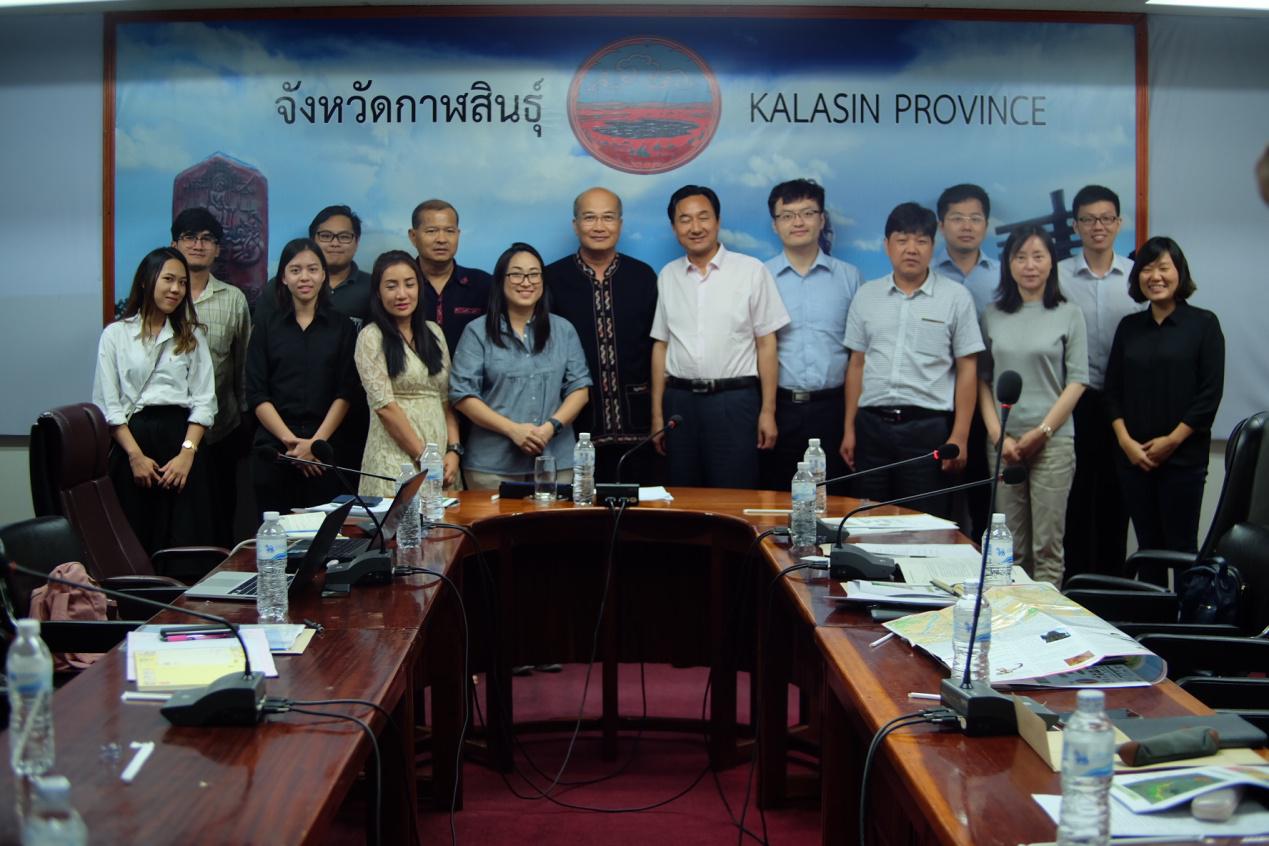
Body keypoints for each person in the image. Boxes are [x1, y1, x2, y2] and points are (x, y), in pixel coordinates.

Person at [841, 202, 981, 520]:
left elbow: (967, 368)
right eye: (902, 240)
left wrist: (960, 435)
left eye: (921, 240)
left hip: (927, 429)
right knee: (867, 521)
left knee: (924, 524)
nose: (911, 249)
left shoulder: (955, 297)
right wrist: (849, 428)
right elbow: (857, 363)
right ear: (886, 245)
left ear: (933, 245)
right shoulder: (866, 295)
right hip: (871, 428)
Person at [650, 185, 789, 489]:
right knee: (683, 493)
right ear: (674, 228)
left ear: (718, 221)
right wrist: (657, 416)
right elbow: (661, 345)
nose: (695, 227)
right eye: (685, 219)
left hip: (734, 401)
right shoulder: (668, 275)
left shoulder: (750, 271)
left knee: (734, 492)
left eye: (704, 217)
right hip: (680, 403)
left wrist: (768, 411)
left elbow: (767, 343)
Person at [978, 226, 1088, 586]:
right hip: (1004, 443)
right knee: (1009, 547)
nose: (1030, 265)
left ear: (1051, 262)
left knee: (1047, 547)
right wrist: (998, 436)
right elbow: (983, 380)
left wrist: (1043, 431)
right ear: (1008, 264)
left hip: (1053, 443)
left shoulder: (1069, 313)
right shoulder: (992, 314)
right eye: (1020, 257)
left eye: (1038, 256)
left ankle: (1046, 618)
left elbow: (1077, 381)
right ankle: (1011, 615)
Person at [92, 247, 216, 553]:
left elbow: (204, 400)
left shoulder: (191, 335)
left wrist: (187, 454)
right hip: (133, 441)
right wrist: (135, 456)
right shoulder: (116, 334)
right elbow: (108, 404)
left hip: (181, 438)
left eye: (182, 283)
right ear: (146, 281)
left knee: (184, 540)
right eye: (168, 279)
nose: (176, 289)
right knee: (136, 538)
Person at [1106, 237, 1224, 554]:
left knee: (1182, 548)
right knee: (1147, 549)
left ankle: (1186, 594)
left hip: (1183, 459)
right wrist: (1126, 443)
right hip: (1134, 459)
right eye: (1147, 269)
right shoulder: (1129, 327)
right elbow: (1112, 391)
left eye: (1163, 268)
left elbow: (1209, 395)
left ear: (1179, 273)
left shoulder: (1204, 324)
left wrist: (1171, 441)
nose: (1155, 276)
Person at [449, 242, 591, 490]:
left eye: (534, 274)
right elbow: (462, 395)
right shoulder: (477, 331)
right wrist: (513, 430)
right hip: (491, 468)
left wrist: (551, 428)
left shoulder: (563, 330)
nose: (526, 282)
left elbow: (580, 389)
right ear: (500, 280)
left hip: (556, 463)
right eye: (516, 274)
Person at [546, 187, 659, 484]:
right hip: (576, 423)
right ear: (575, 225)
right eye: (590, 218)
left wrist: (658, 414)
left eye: (608, 217)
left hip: (638, 422)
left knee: (641, 507)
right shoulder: (552, 278)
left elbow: (657, 348)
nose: (599, 226)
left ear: (620, 224)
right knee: (580, 508)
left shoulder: (642, 276)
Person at [1058, 185, 1143, 576]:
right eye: (1089, 219)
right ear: (1076, 225)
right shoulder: (1057, 275)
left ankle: (1112, 585)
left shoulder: (1136, 277)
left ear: (1119, 223)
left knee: (1117, 497)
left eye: (1106, 218)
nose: (1098, 226)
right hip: (1072, 400)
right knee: (1074, 498)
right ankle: (1076, 583)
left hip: (1123, 405)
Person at [760, 178, 860, 493]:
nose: (798, 222)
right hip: (780, 408)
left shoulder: (849, 277)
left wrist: (851, 423)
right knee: (777, 498)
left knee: (834, 499)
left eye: (807, 213)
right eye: (787, 215)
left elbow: (858, 355)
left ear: (822, 219)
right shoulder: (760, 277)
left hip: (833, 408)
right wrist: (767, 412)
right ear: (775, 225)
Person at [246, 238, 359, 515]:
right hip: (275, 450)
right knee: (277, 534)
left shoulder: (343, 327)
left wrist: (316, 446)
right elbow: (257, 393)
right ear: (283, 277)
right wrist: (293, 444)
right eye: (295, 270)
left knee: (327, 534)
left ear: (323, 275)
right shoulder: (265, 326)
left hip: (327, 452)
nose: (304, 277)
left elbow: (346, 392)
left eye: (312, 269)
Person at [170, 207, 251, 546]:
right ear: (175, 244)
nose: (198, 245)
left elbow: (242, 365)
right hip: (168, 432)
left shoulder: (233, 299)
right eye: (189, 237)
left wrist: (244, 419)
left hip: (220, 431)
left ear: (218, 249)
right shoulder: (162, 297)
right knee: (173, 519)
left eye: (207, 239)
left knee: (219, 517)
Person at [354, 250, 461, 497]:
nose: (401, 294)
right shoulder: (371, 336)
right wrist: (424, 458)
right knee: (401, 520)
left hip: (440, 461)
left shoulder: (434, 332)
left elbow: (446, 400)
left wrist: (454, 450)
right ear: (378, 293)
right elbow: (384, 407)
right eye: (391, 286)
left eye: (409, 284)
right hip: (394, 458)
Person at [934, 183, 1000, 535]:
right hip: (940, 400)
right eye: (957, 218)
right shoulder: (926, 273)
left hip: (989, 399)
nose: (966, 226)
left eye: (975, 218)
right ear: (941, 224)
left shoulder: (1004, 275)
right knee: (940, 498)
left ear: (986, 225)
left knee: (983, 496)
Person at [253, 205, 373, 323]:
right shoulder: (280, 286)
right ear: (312, 240)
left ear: (357, 241)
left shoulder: (373, 287)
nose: (335, 243)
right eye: (326, 236)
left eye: (344, 237)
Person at [409, 198, 494, 357]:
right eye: (431, 231)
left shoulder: (484, 284)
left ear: (458, 234)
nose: (442, 239)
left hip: (471, 372)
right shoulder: (400, 287)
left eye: (449, 231)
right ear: (413, 236)